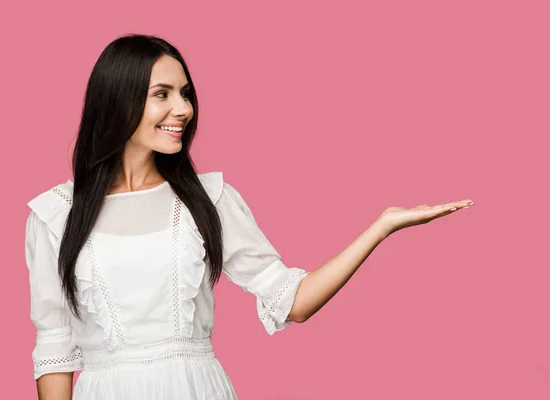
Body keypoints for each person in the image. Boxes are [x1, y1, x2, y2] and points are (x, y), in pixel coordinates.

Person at [24, 34, 474, 399]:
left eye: (185, 93)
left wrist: (381, 227)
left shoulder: (210, 200)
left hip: (198, 389)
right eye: (162, 94)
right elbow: (55, 348)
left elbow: (292, 301)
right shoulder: (54, 216)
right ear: (117, 103)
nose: (183, 109)